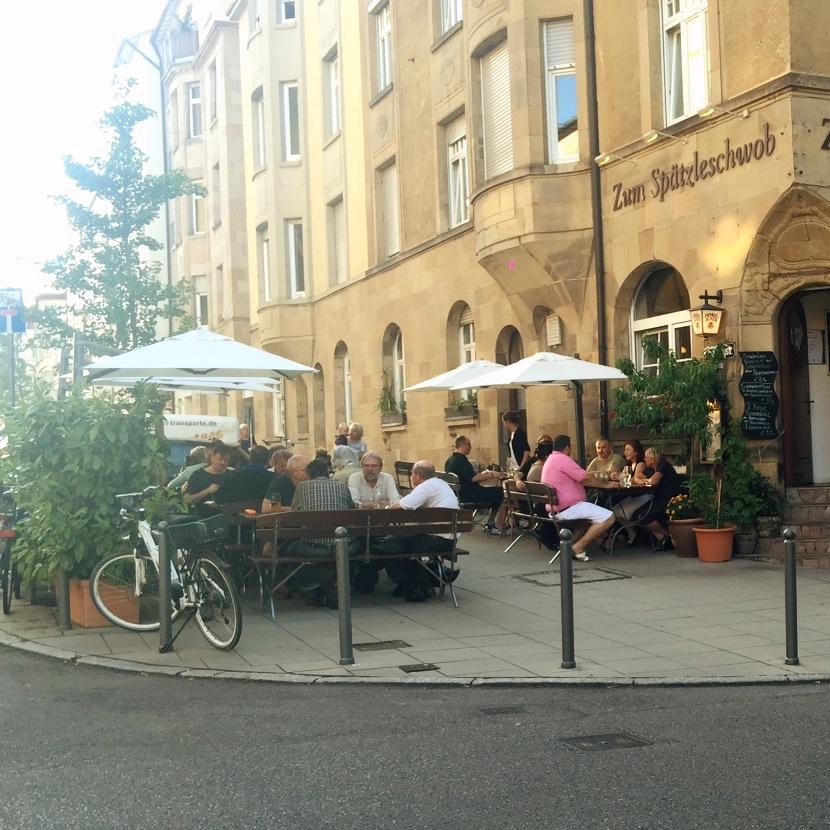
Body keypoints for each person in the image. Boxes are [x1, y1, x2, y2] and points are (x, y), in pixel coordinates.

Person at [285, 457, 356, 608]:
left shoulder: (302, 487)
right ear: (328, 472)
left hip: (314, 546)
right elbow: (352, 510)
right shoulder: (341, 486)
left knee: (291, 548)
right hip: (343, 546)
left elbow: (294, 514)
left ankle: (311, 588)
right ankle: (330, 588)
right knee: (350, 546)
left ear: (309, 473)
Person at [385, 460, 460, 602]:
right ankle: (421, 582)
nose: (412, 477)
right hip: (449, 540)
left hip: (435, 541)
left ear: (418, 476)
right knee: (398, 542)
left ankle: (411, 585)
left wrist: (386, 508)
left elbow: (404, 504)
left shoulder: (426, 487)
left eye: (412, 474)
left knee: (391, 545)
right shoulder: (441, 484)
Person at [540, 435, 618, 561]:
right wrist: (606, 485)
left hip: (556, 509)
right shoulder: (563, 459)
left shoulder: (551, 459)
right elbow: (585, 478)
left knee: (584, 523)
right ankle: (579, 547)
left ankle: (567, 548)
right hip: (568, 508)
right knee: (609, 517)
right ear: (567, 448)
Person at [444, 436, 504, 533]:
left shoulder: (450, 460)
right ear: (462, 445)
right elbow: (474, 478)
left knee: (492, 490)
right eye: (469, 444)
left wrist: (483, 475)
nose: (470, 447)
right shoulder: (461, 460)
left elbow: (468, 476)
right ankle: (491, 524)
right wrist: (492, 475)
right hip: (470, 495)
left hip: (458, 494)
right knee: (500, 491)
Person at [640, 447, 683, 549]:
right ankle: (663, 538)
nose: (644, 459)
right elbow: (637, 478)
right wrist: (643, 480)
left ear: (652, 459)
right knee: (637, 515)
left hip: (670, 499)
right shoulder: (650, 468)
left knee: (644, 516)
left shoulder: (663, 465)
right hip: (658, 499)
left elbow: (653, 481)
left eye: (646, 457)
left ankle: (668, 536)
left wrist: (645, 481)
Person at [610, 440, 651, 543]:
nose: (625, 452)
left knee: (623, 512)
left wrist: (620, 477)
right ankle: (631, 532)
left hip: (643, 495)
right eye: (625, 450)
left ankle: (635, 533)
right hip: (633, 495)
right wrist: (616, 475)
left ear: (635, 452)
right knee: (614, 510)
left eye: (628, 450)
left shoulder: (640, 464)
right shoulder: (629, 465)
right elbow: (624, 478)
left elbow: (635, 480)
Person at [182, 443, 233, 516]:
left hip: (227, 516)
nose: (223, 462)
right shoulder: (198, 475)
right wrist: (206, 491)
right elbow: (187, 500)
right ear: (212, 458)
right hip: (203, 518)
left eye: (226, 460)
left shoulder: (232, 475)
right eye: (220, 459)